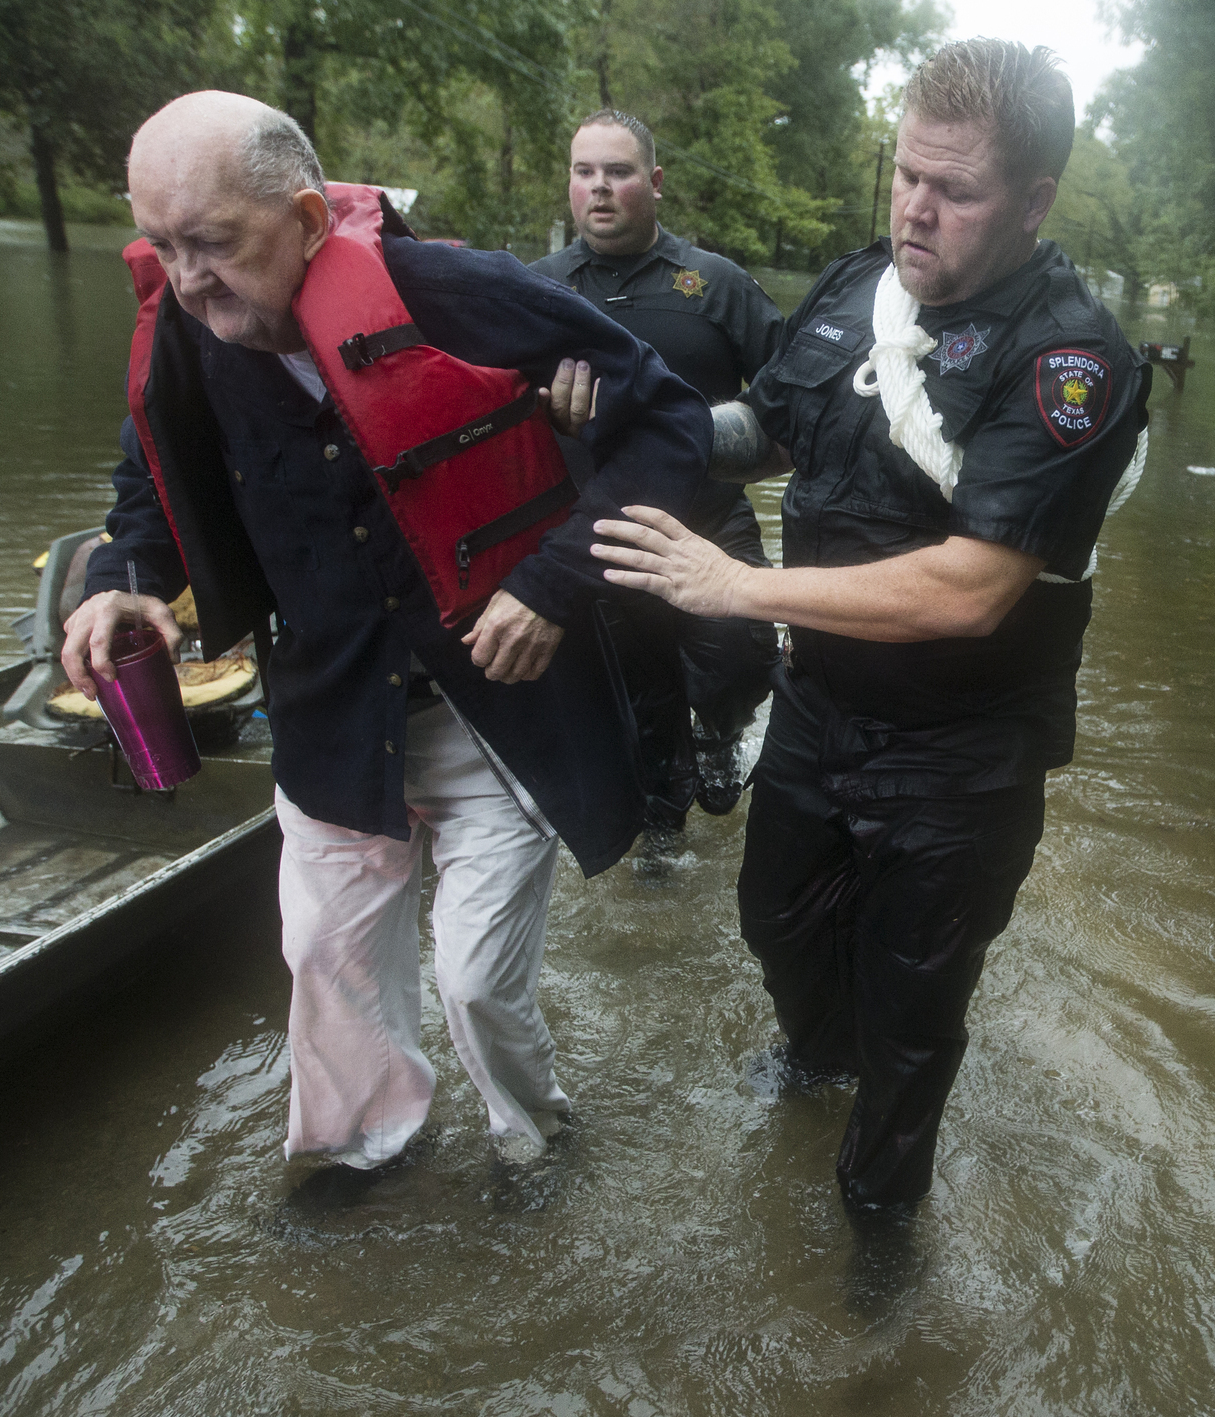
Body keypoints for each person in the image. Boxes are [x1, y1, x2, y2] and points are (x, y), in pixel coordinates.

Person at [61, 92, 709, 1169]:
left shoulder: (456, 291)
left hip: (495, 710)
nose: (186, 278)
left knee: (474, 981)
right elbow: (150, 486)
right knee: (323, 953)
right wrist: (123, 579)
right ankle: (366, 1151)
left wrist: (553, 583)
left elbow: (673, 423)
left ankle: (533, 1140)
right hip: (328, 708)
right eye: (162, 244)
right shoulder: (184, 334)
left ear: (310, 222)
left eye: (214, 243)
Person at [591, 41, 1151, 1209]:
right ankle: (815, 1062)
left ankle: (879, 1253)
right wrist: (658, 423)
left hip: (962, 754)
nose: (917, 209)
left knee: (911, 1016)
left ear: (1035, 201)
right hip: (822, 709)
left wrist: (733, 586)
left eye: (956, 190)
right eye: (905, 175)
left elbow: (970, 588)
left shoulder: (1072, 360)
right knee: (773, 918)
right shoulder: (861, 288)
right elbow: (781, 423)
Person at [531, 110, 785, 846]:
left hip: (708, 517)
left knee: (743, 657)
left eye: (619, 172)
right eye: (585, 173)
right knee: (637, 703)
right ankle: (658, 843)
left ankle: (719, 730)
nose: (600, 189)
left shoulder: (715, 283)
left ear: (656, 182)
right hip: (597, 531)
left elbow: (791, 399)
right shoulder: (536, 288)